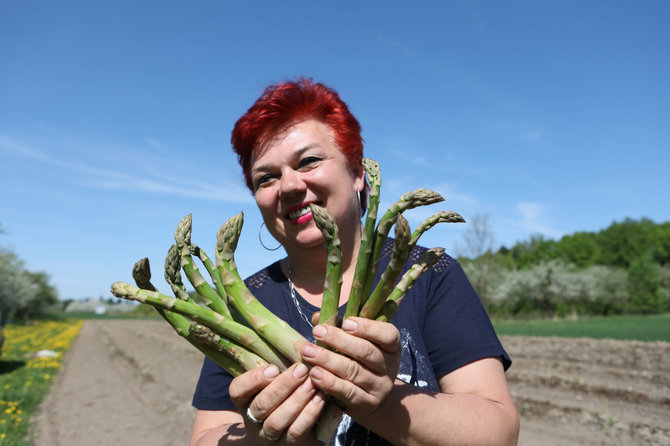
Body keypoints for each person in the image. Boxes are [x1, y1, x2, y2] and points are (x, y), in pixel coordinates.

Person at [189, 78, 519, 446]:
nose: (290, 185)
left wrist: (381, 402)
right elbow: (206, 436)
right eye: (266, 177)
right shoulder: (238, 301)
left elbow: (498, 431)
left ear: (359, 174)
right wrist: (260, 437)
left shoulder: (428, 273)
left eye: (309, 161)